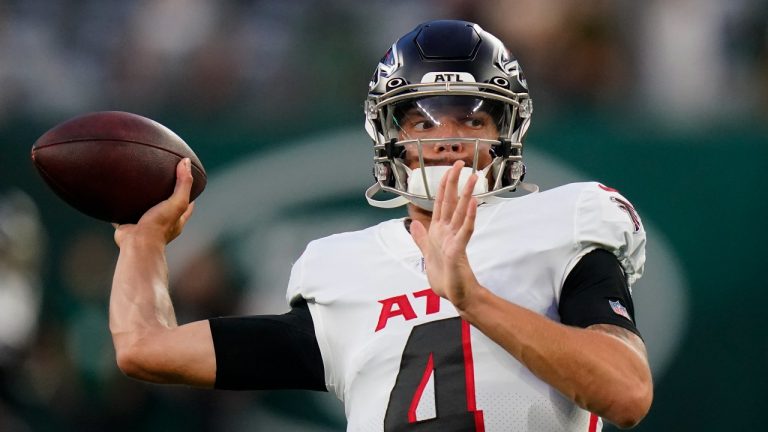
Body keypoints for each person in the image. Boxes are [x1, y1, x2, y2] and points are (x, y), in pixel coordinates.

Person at [110, 20, 652, 431]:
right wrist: (141, 243)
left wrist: (473, 298)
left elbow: (625, 392)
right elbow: (144, 348)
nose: (447, 137)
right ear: (389, 137)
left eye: (472, 116)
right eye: (423, 119)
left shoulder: (563, 224)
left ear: (507, 132)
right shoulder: (344, 272)